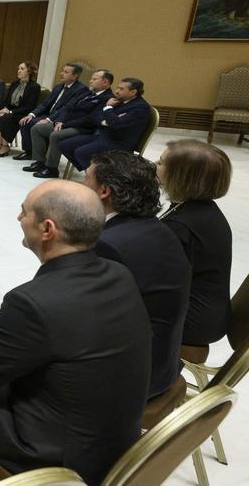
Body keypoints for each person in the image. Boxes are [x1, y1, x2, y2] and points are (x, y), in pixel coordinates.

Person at [0, 180, 151, 484]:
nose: (18, 218)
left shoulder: (31, 301)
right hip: (113, 440)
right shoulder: (119, 273)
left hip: (57, 458)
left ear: (47, 229)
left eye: (24, 212)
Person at [84, 151, 190, 399]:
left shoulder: (109, 244)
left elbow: (83, 320)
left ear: (104, 191)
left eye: (86, 178)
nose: (80, 185)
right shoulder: (156, 227)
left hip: (132, 378)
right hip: (163, 363)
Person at [157, 140, 234, 347]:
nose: (155, 164)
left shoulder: (183, 226)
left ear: (181, 176)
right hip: (206, 311)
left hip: (194, 321)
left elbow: (158, 278)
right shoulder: (202, 208)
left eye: (162, 163)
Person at [23, 70, 114, 178]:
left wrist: (65, 124)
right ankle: (39, 161)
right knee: (37, 128)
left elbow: (91, 119)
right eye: (91, 78)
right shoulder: (86, 91)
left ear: (105, 82)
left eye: (94, 79)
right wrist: (60, 121)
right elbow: (68, 107)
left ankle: (51, 168)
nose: (90, 81)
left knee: (56, 135)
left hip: (83, 129)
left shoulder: (107, 98)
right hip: (66, 123)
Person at [60, 78, 151, 171]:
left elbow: (115, 123)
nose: (116, 91)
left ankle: (97, 176)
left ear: (133, 92)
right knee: (64, 145)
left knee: (81, 152)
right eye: (117, 88)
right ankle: (95, 172)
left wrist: (108, 108)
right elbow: (96, 117)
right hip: (103, 135)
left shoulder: (140, 108)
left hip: (118, 143)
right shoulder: (118, 101)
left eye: (121, 89)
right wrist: (107, 120)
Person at [13, 63, 89, 161]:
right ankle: (29, 151)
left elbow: (66, 108)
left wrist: (49, 119)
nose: (61, 74)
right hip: (48, 114)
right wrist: (31, 114)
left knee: (36, 125)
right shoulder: (58, 86)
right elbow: (45, 103)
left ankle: (40, 157)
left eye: (66, 72)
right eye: (62, 71)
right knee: (26, 121)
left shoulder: (81, 90)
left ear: (74, 76)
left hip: (60, 118)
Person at [0, 62, 40, 157]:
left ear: (29, 72)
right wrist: (4, 109)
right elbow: (6, 100)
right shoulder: (14, 84)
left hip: (24, 113)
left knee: (6, 118)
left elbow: (30, 106)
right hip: (10, 111)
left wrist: (10, 111)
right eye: (18, 69)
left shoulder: (34, 87)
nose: (19, 71)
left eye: (22, 69)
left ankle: (5, 146)